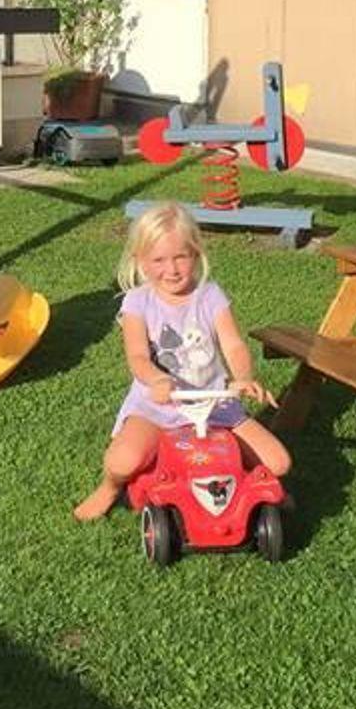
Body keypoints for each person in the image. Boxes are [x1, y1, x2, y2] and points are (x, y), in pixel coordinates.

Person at [73, 201, 290, 521]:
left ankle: (252, 485)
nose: (172, 270)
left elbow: (233, 345)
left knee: (279, 462)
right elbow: (137, 356)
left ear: (196, 253)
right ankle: (109, 489)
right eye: (159, 260)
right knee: (122, 461)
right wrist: (158, 380)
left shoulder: (210, 295)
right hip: (157, 407)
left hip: (213, 403)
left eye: (180, 257)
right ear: (140, 261)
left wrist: (243, 377)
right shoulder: (138, 302)